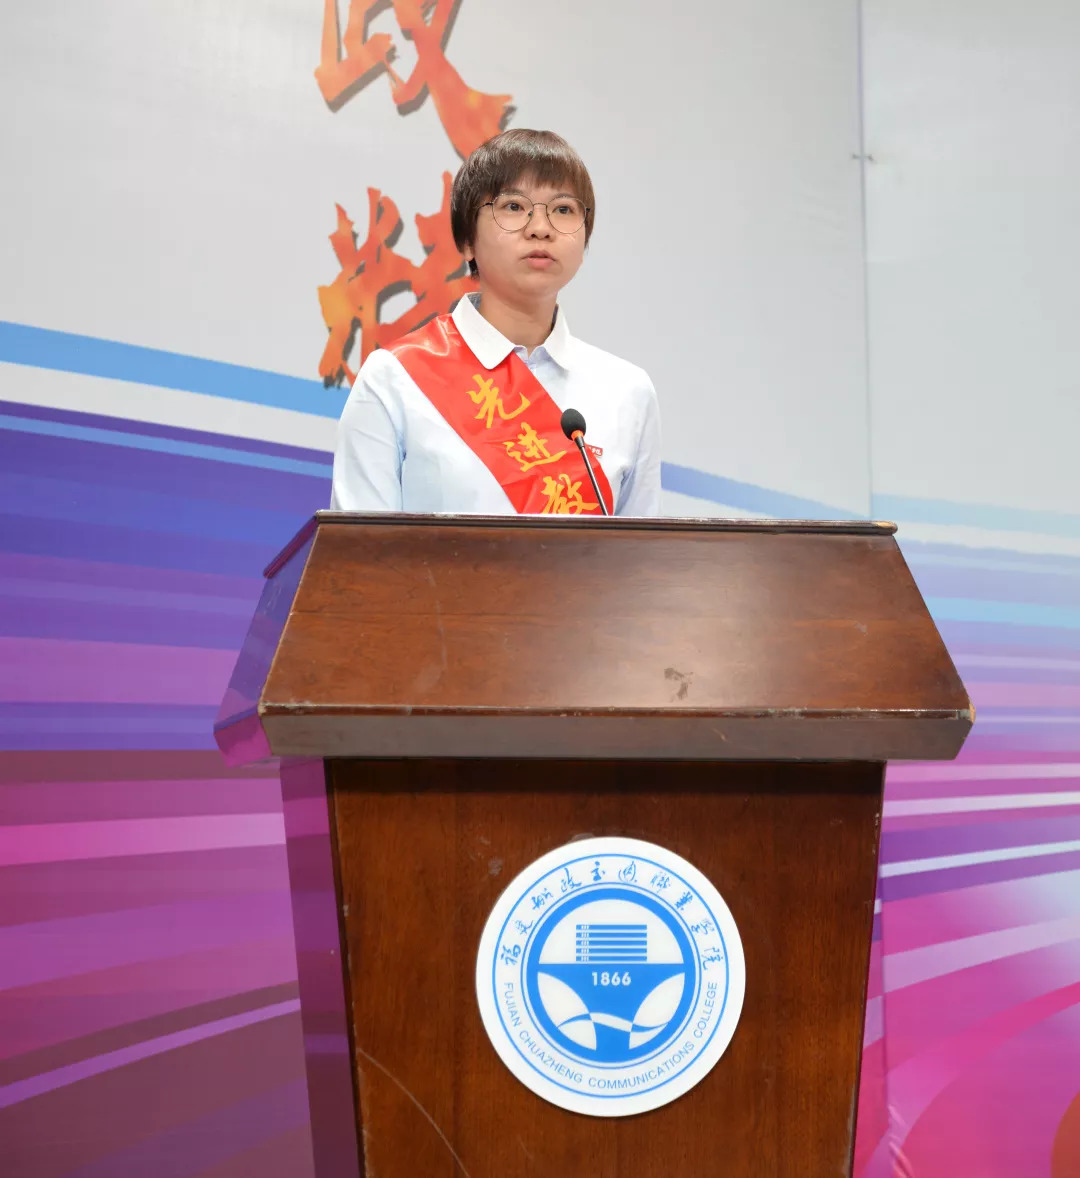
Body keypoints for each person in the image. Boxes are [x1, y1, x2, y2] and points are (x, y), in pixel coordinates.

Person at [330, 129, 662, 516]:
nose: (541, 228)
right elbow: (360, 548)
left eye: (563, 209)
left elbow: (639, 552)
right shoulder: (395, 379)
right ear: (467, 240)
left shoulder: (627, 392)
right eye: (514, 206)